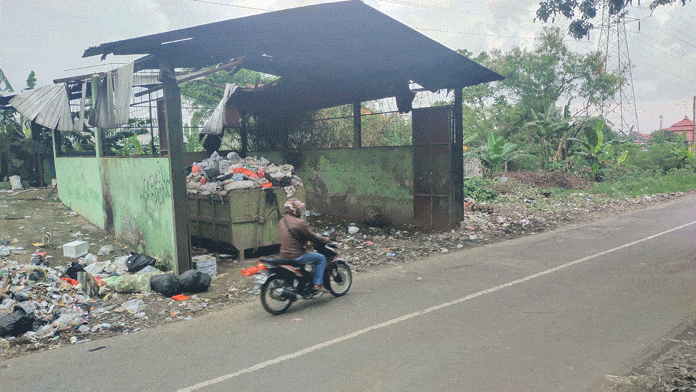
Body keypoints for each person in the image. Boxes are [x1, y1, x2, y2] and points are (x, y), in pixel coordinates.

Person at [279, 198, 330, 293]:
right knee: (321, 258)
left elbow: (293, 236)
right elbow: (312, 236)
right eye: (298, 208)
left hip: (283, 254)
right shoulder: (300, 222)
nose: (300, 210)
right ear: (293, 209)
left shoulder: (282, 221)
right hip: (296, 255)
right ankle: (318, 284)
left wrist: (305, 244)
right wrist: (324, 239)